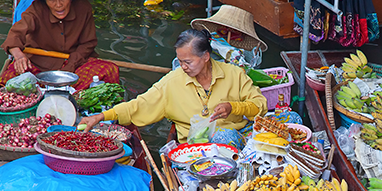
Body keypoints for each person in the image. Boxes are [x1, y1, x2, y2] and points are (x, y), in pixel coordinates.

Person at [80, 29, 302, 149]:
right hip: (199, 148)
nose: (182, 67)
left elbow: (260, 106)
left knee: (292, 118)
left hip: (244, 137)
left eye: (188, 62)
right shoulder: (172, 82)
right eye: (180, 61)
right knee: (223, 136)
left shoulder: (234, 74)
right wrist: (101, 116)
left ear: (206, 57)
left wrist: (233, 107)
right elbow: (140, 105)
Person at [0, 0, 119, 90]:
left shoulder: (83, 8)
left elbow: (88, 44)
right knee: (9, 79)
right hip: (39, 65)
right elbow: (14, 35)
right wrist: (19, 56)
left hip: (75, 65)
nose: (58, 4)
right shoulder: (36, 9)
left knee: (110, 70)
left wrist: (70, 67)